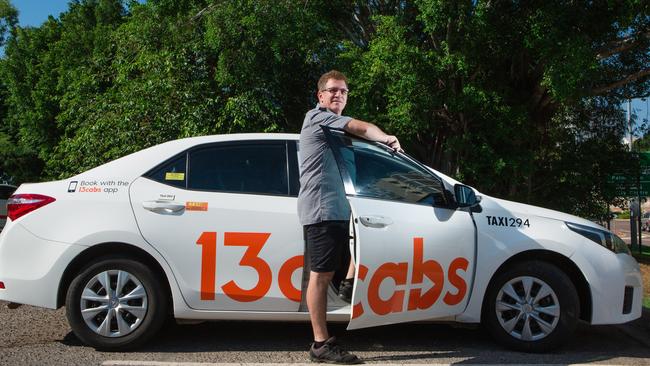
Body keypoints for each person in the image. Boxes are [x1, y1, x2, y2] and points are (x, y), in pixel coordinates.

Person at [297, 70, 402, 364]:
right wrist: (387, 138)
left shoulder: (337, 134)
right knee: (319, 277)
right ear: (320, 96)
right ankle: (320, 345)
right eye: (332, 90)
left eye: (343, 91)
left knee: (350, 260)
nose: (338, 95)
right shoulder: (318, 118)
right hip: (322, 211)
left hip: (340, 211)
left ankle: (348, 280)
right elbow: (364, 127)